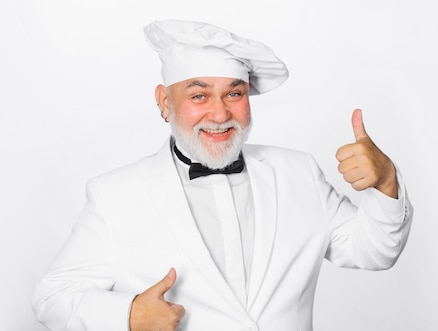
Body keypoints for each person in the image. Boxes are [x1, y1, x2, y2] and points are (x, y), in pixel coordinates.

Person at [32, 19, 413, 331]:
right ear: (166, 102)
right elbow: (52, 297)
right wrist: (126, 315)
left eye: (234, 94)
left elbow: (373, 251)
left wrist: (385, 182)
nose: (219, 115)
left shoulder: (299, 173)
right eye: (199, 96)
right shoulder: (116, 195)